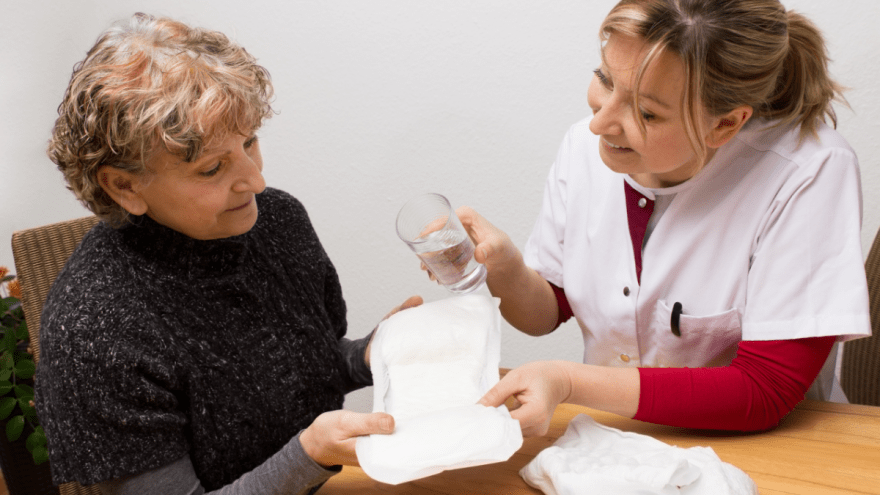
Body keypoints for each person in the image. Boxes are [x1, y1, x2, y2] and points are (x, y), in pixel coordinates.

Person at [36, 13, 420, 494]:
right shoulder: (96, 328)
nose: (255, 181)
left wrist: (374, 355)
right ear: (123, 185)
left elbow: (305, 371)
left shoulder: (277, 220)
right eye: (213, 168)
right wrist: (311, 454)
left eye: (250, 142)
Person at [461, 0, 872, 436]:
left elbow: (764, 391)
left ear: (725, 124)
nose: (599, 123)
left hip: (767, 452)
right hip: (613, 442)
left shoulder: (807, 170)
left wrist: (568, 381)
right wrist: (504, 268)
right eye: (604, 78)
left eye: (645, 112)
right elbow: (549, 309)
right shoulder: (584, 147)